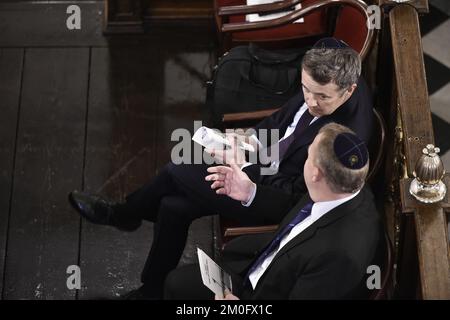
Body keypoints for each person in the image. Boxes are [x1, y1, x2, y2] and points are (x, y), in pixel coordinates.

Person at [68, 37, 374, 299]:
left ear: (349, 90)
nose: (310, 100)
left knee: (179, 167)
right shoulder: (325, 80)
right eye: (306, 89)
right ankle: (151, 290)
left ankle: (125, 215)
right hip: (260, 164)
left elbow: (301, 198)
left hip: (266, 197)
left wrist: (250, 182)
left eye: (321, 96)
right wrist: (246, 140)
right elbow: (283, 122)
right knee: (172, 206)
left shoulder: (341, 137)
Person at [164, 123, 384, 300]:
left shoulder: (340, 257)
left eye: (308, 155)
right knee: (176, 278)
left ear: (316, 173)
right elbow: (295, 208)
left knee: (176, 286)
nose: (305, 161)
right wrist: (250, 192)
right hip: (257, 263)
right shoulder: (346, 185)